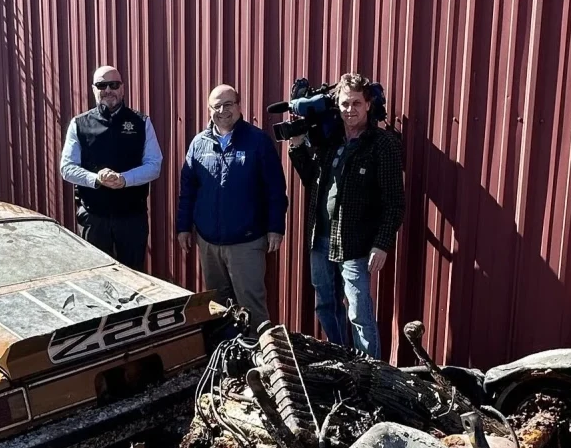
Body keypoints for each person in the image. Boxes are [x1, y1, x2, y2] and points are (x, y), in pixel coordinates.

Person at [287, 72, 404, 359]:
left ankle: (371, 374)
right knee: (326, 305)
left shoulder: (382, 144)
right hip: (321, 239)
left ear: (368, 105)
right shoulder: (331, 141)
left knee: (359, 313)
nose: (349, 110)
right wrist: (297, 145)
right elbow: (312, 181)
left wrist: (382, 243)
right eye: (344, 103)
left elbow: (394, 201)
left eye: (356, 103)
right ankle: (344, 359)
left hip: (357, 244)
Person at [176, 84, 287, 331]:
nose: (222, 110)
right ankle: (226, 355)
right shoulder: (198, 144)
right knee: (218, 305)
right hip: (209, 242)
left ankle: (262, 355)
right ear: (209, 110)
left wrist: (275, 228)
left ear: (239, 106)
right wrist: (183, 227)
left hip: (246, 241)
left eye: (228, 104)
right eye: (216, 106)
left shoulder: (258, 141)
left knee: (252, 303)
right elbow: (188, 191)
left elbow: (275, 189)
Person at [59, 65, 162, 270]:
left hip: (132, 218)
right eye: (101, 85)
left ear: (123, 88)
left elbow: (154, 165)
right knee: (96, 277)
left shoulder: (141, 122)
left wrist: (124, 179)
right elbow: (67, 167)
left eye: (113, 85)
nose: (108, 90)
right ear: (93, 89)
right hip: (94, 217)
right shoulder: (79, 124)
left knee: (134, 277)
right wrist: (96, 179)